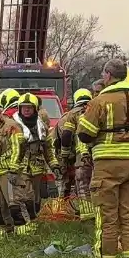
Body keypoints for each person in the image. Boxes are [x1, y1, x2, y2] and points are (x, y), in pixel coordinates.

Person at [77, 59, 129, 258]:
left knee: (107, 216)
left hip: (107, 165)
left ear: (108, 75)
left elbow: (85, 134)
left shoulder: (100, 101)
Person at [0, 101, 34, 236]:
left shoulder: (12, 126)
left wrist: (14, 170)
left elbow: (19, 148)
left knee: (15, 205)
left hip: (9, 173)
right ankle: (4, 234)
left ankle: (24, 235)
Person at [57, 88, 95, 220]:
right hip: (100, 153)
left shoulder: (72, 114)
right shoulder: (97, 109)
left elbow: (67, 135)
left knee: (83, 184)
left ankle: (88, 215)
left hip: (82, 155)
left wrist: (65, 156)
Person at [14, 93, 51, 219]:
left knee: (36, 197)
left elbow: (48, 148)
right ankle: (27, 221)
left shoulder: (42, 126)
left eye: (29, 107)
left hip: (38, 167)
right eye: (23, 107)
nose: (26, 109)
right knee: (25, 195)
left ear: (35, 108)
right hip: (21, 166)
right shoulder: (13, 126)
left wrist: (54, 165)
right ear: (19, 108)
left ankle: (35, 218)